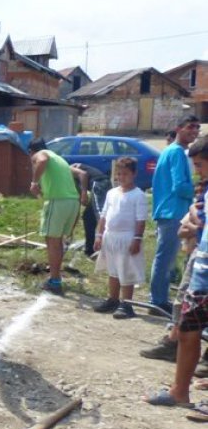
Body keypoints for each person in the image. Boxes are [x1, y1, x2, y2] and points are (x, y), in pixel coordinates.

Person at [140, 136, 208, 379]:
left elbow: (198, 218)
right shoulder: (204, 187)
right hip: (200, 254)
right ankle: (173, 342)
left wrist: (193, 215)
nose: (197, 171)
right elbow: (195, 219)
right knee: (183, 297)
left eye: (200, 165)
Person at [149, 115, 199, 315]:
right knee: (165, 259)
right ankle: (158, 301)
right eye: (190, 127)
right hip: (174, 211)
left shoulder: (169, 150)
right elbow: (180, 186)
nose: (194, 131)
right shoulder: (178, 152)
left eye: (197, 127)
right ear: (179, 128)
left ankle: (159, 298)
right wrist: (198, 189)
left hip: (167, 209)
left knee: (165, 258)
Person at [28, 139, 88, 294]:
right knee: (57, 240)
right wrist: (83, 193)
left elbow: (41, 159)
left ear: (31, 151)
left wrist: (34, 182)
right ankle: (55, 278)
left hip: (58, 201)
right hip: (72, 202)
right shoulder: (59, 159)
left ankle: (55, 281)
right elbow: (83, 173)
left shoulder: (42, 154)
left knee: (52, 241)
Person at [92, 157, 148, 319]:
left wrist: (137, 239)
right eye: (119, 174)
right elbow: (103, 216)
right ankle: (113, 299)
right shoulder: (111, 193)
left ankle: (127, 304)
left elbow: (141, 220)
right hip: (110, 237)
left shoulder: (138, 195)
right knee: (113, 270)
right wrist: (98, 235)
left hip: (127, 237)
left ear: (134, 174)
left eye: (125, 174)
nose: (121, 177)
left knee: (126, 271)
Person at [70, 162, 111, 257]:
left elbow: (83, 174)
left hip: (99, 184)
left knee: (100, 216)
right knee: (88, 217)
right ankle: (90, 249)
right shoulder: (72, 177)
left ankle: (107, 247)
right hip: (100, 185)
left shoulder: (69, 168)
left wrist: (84, 193)